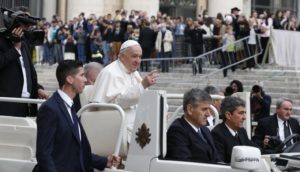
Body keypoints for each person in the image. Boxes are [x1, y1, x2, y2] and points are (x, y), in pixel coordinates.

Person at [34, 60, 121, 172]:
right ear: (69, 79)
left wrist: (105, 161)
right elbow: (44, 155)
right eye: (82, 75)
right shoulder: (50, 109)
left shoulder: (69, 106)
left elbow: (76, 150)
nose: (85, 80)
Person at [89, 40, 159, 141]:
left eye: (140, 57)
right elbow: (116, 103)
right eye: (134, 56)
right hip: (115, 123)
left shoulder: (133, 72)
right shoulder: (110, 72)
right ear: (122, 56)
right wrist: (142, 85)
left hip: (132, 119)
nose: (138, 60)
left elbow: (143, 97)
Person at [0, 6, 48, 117]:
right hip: (6, 104)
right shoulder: (2, 41)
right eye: (25, 23)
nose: (28, 27)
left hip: (25, 104)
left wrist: (37, 89)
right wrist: (15, 49)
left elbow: (26, 72)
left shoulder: (24, 43)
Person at [166, 88, 220, 163]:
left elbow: (216, 158)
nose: (208, 114)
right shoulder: (177, 131)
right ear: (190, 109)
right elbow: (184, 165)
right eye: (204, 109)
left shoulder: (205, 130)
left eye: (208, 109)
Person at [211, 97, 258, 163]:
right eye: (241, 113)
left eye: (244, 113)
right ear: (228, 115)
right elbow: (220, 163)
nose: (244, 117)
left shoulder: (242, 131)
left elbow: (253, 148)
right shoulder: (217, 134)